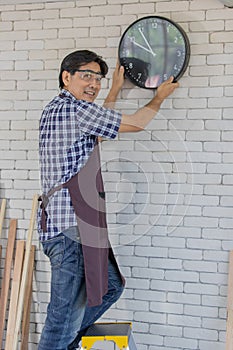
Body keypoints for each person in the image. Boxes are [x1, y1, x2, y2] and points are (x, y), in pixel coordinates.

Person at [37, 49, 179, 350]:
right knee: (60, 321)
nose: (93, 83)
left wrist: (114, 89)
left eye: (98, 78)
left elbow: (99, 131)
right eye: (86, 76)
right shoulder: (75, 111)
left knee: (111, 287)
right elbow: (138, 122)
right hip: (69, 231)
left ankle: (68, 339)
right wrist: (160, 96)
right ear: (66, 77)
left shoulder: (60, 110)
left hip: (71, 227)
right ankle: (62, 341)